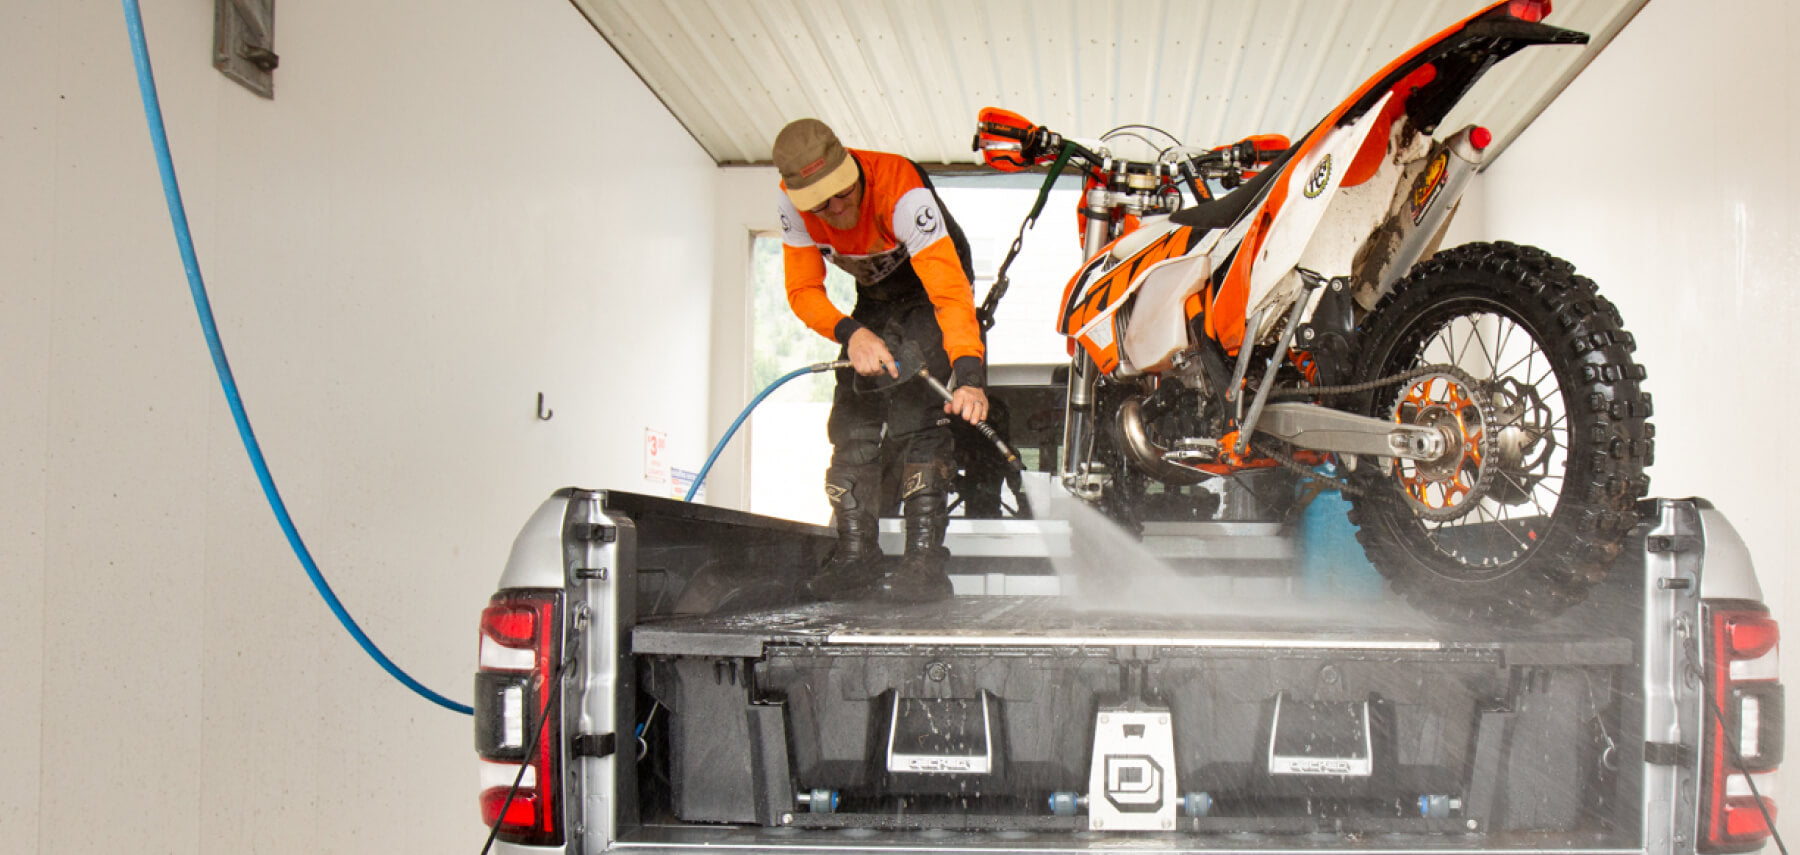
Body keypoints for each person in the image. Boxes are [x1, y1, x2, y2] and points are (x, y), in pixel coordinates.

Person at [772, 118, 987, 603]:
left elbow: (949, 292)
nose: (836, 208)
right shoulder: (791, 204)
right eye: (821, 203)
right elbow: (803, 289)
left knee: (920, 413)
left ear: (850, 164)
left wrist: (969, 374)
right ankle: (856, 557)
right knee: (853, 417)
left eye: (843, 193)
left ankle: (925, 564)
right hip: (873, 298)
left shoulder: (899, 188)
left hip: (932, 291)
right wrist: (852, 334)